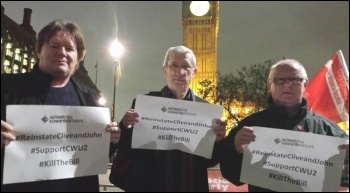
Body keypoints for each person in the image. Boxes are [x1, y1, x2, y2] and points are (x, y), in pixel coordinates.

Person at [0, 19, 119, 192]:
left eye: (69, 49)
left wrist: (111, 139)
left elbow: (94, 155)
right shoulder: (7, 88)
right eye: (54, 46)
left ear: (78, 57)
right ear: (39, 51)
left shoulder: (89, 100)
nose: (62, 53)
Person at [219, 59, 349, 192]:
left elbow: (342, 178)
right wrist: (237, 149)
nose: (287, 85)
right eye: (280, 80)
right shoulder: (249, 126)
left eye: (295, 79)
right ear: (270, 84)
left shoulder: (327, 129)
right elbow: (233, 176)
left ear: (305, 84)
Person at [112, 45, 227, 191]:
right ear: (165, 70)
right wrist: (125, 126)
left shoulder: (206, 110)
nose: (180, 71)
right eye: (174, 65)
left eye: (186, 66)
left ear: (194, 72)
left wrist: (218, 141)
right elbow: (128, 150)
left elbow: (210, 161)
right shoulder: (145, 105)